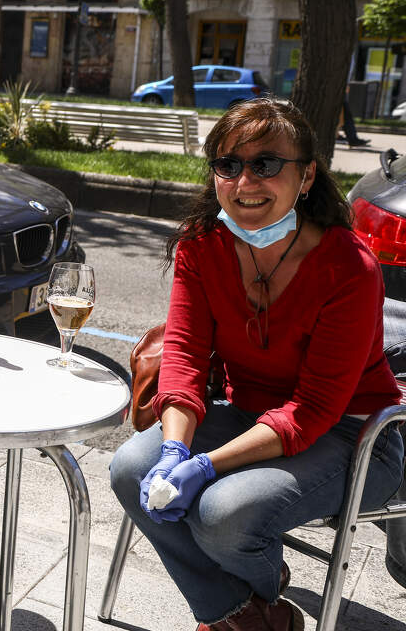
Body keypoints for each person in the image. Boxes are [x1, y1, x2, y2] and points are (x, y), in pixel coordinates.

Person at [109, 98, 404, 631]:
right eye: (228, 164)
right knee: (131, 468)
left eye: (266, 164)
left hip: (353, 436)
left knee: (223, 514)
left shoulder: (348, 267)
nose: (245, 181)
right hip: (249, 414)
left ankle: (241, 589)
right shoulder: (201, 247)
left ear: (306, 176)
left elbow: (313, 410)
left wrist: (205, 466)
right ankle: (247, 612)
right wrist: (175, 449)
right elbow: (184, 357)